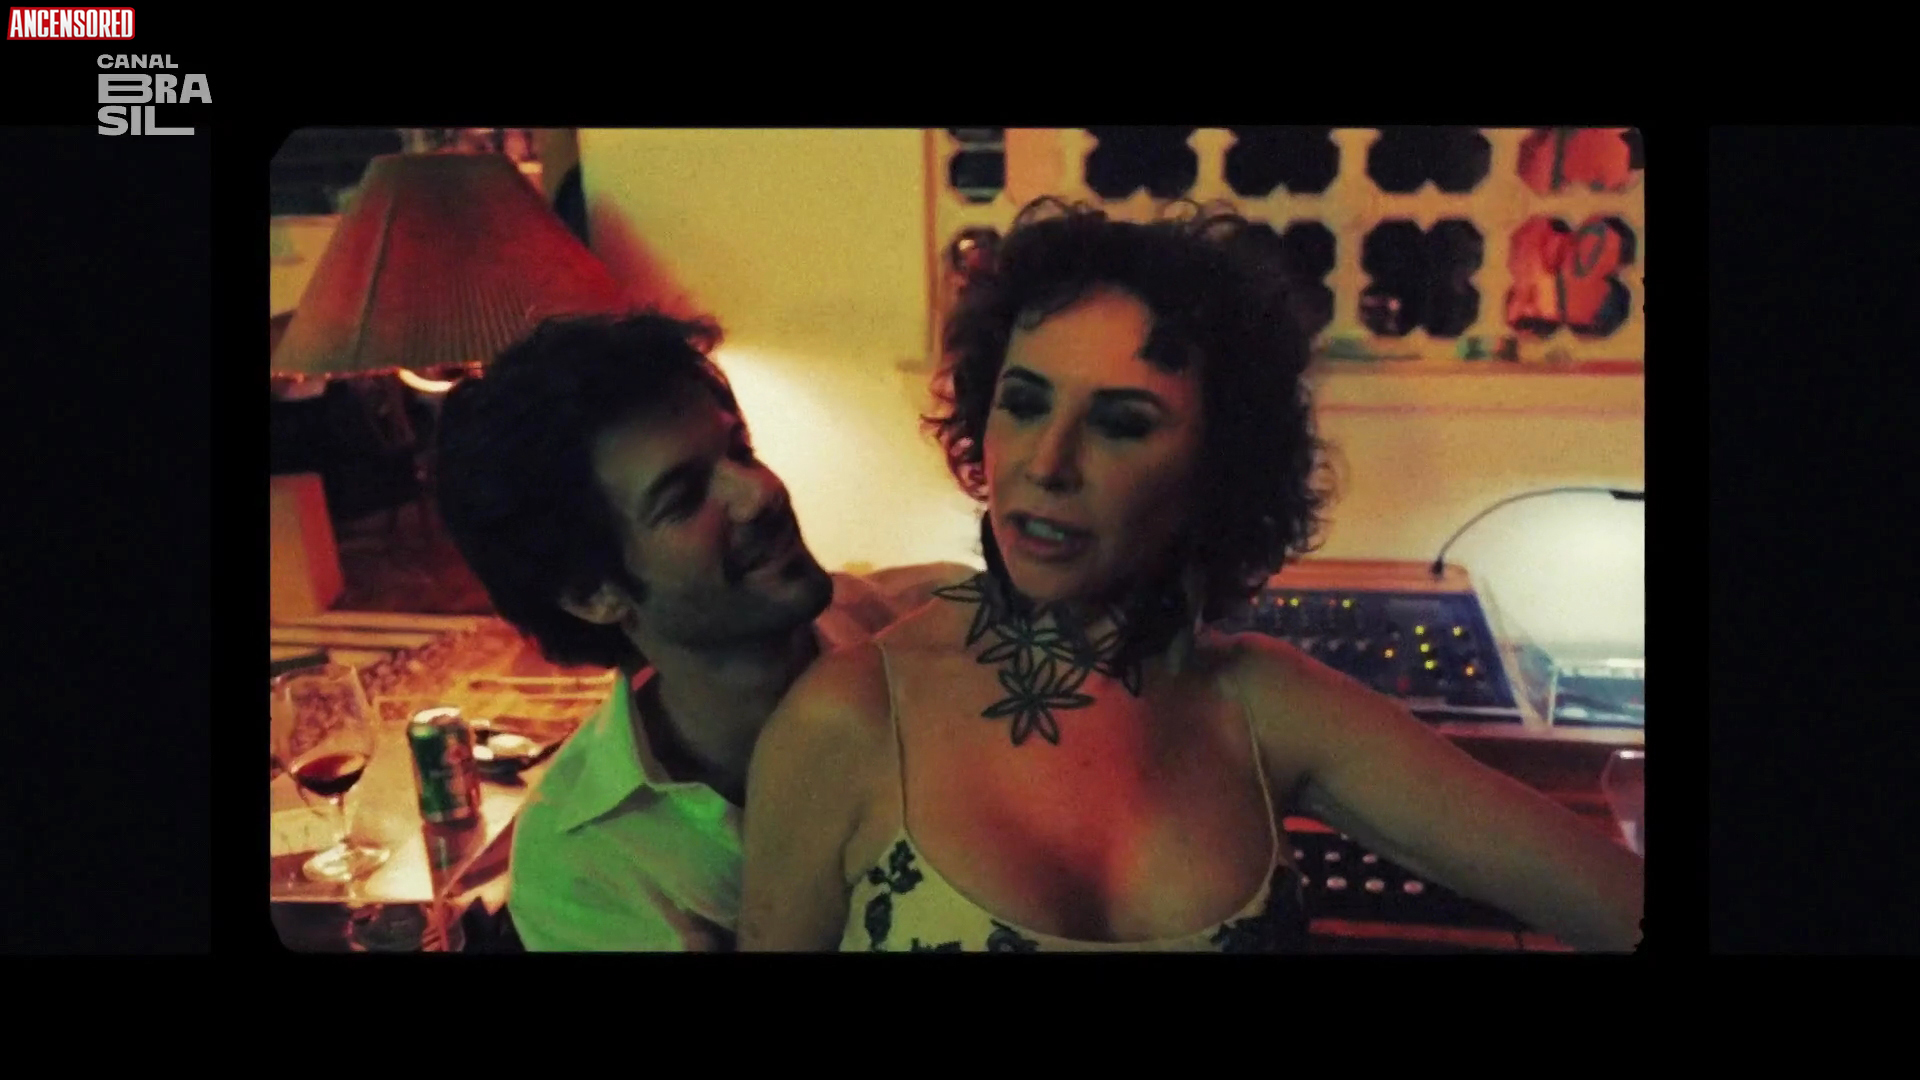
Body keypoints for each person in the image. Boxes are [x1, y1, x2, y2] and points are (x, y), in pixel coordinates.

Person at [738, 199, 1645, 952]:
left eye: (1122, 424)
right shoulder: (848, 720)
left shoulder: (1264, 706)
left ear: (1219, 466)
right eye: (1024, 404)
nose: (1047, 463)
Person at [435, 312, 972, 951]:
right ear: (592, 594)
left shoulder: (949, 622)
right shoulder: (582, 866)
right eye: (685, 497)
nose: (759, 493)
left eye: (741, 451)